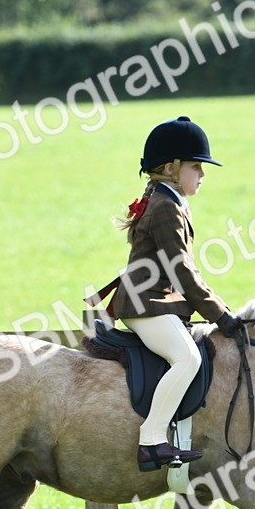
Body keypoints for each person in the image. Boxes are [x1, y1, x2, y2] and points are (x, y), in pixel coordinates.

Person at [105, 116, 243, 471]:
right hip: (145, 304)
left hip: (154, 301)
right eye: (196, 166)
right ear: (170, 167)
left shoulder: (167, 198)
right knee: (188, 359)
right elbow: (183, 270)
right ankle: (151, 440)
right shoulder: (166, 206)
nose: (202, 174)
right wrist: (220, 314)